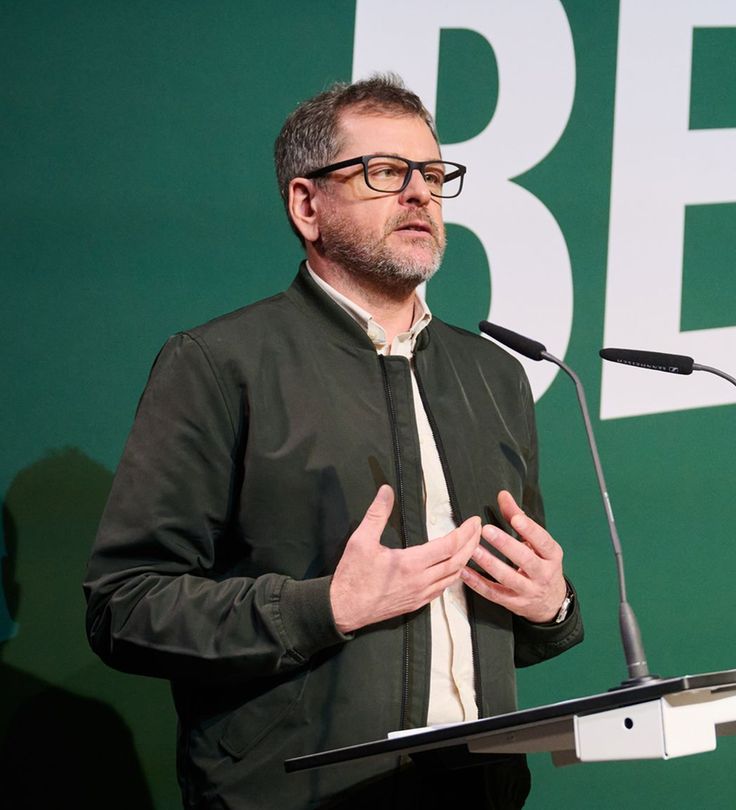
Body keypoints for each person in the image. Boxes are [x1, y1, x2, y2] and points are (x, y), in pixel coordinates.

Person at [84, 74, 583, 809]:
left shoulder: (494, 374)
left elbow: (494, 626)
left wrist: (550, 607)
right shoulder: (222, 365)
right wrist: (325, 608)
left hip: (481, 788)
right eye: (384, 172)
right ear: (307, 204)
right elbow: (124, 607)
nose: (419, 194)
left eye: (434, 174)